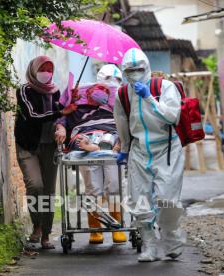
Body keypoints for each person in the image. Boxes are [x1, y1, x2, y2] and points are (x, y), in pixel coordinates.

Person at [114, 48, 185, 262]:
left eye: (139, 69)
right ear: (123, 71)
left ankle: (171, 240)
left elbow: (172, 116)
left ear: (147, 68)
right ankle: (150, 245)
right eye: (130, 70)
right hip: (139, 150)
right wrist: (124, 149)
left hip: (167, 148)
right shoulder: (122, 94)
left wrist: (149, 98)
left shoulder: (165, 87)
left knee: (167, 200)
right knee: (139, 201)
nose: (135, 73)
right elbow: (122, 123)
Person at [55, 67, 127, 244]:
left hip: (111, 135)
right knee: (93, 189)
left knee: (114, 186)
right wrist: (61, 126)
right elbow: (62, 117)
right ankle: (95, 229)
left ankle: (116, 224)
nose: (110, 84)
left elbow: (127, 121)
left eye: (115, 79)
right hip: (84, 135)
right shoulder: (76, 97)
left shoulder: (121, 100)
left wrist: (123, 138)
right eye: (108, 79)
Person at [15, 56, 77, 249]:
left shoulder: (55, 91)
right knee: (35, 185)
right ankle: (36, 225)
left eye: (50, 69)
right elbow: (32, 116)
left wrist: (69, 103)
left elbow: (61, 115)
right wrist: (61, 113)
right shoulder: (24, 90)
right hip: (28, 145)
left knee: (49, 192)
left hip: (50, 146)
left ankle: (46, 234)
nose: (47, 73)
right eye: (43, 68)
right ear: (34, 70)